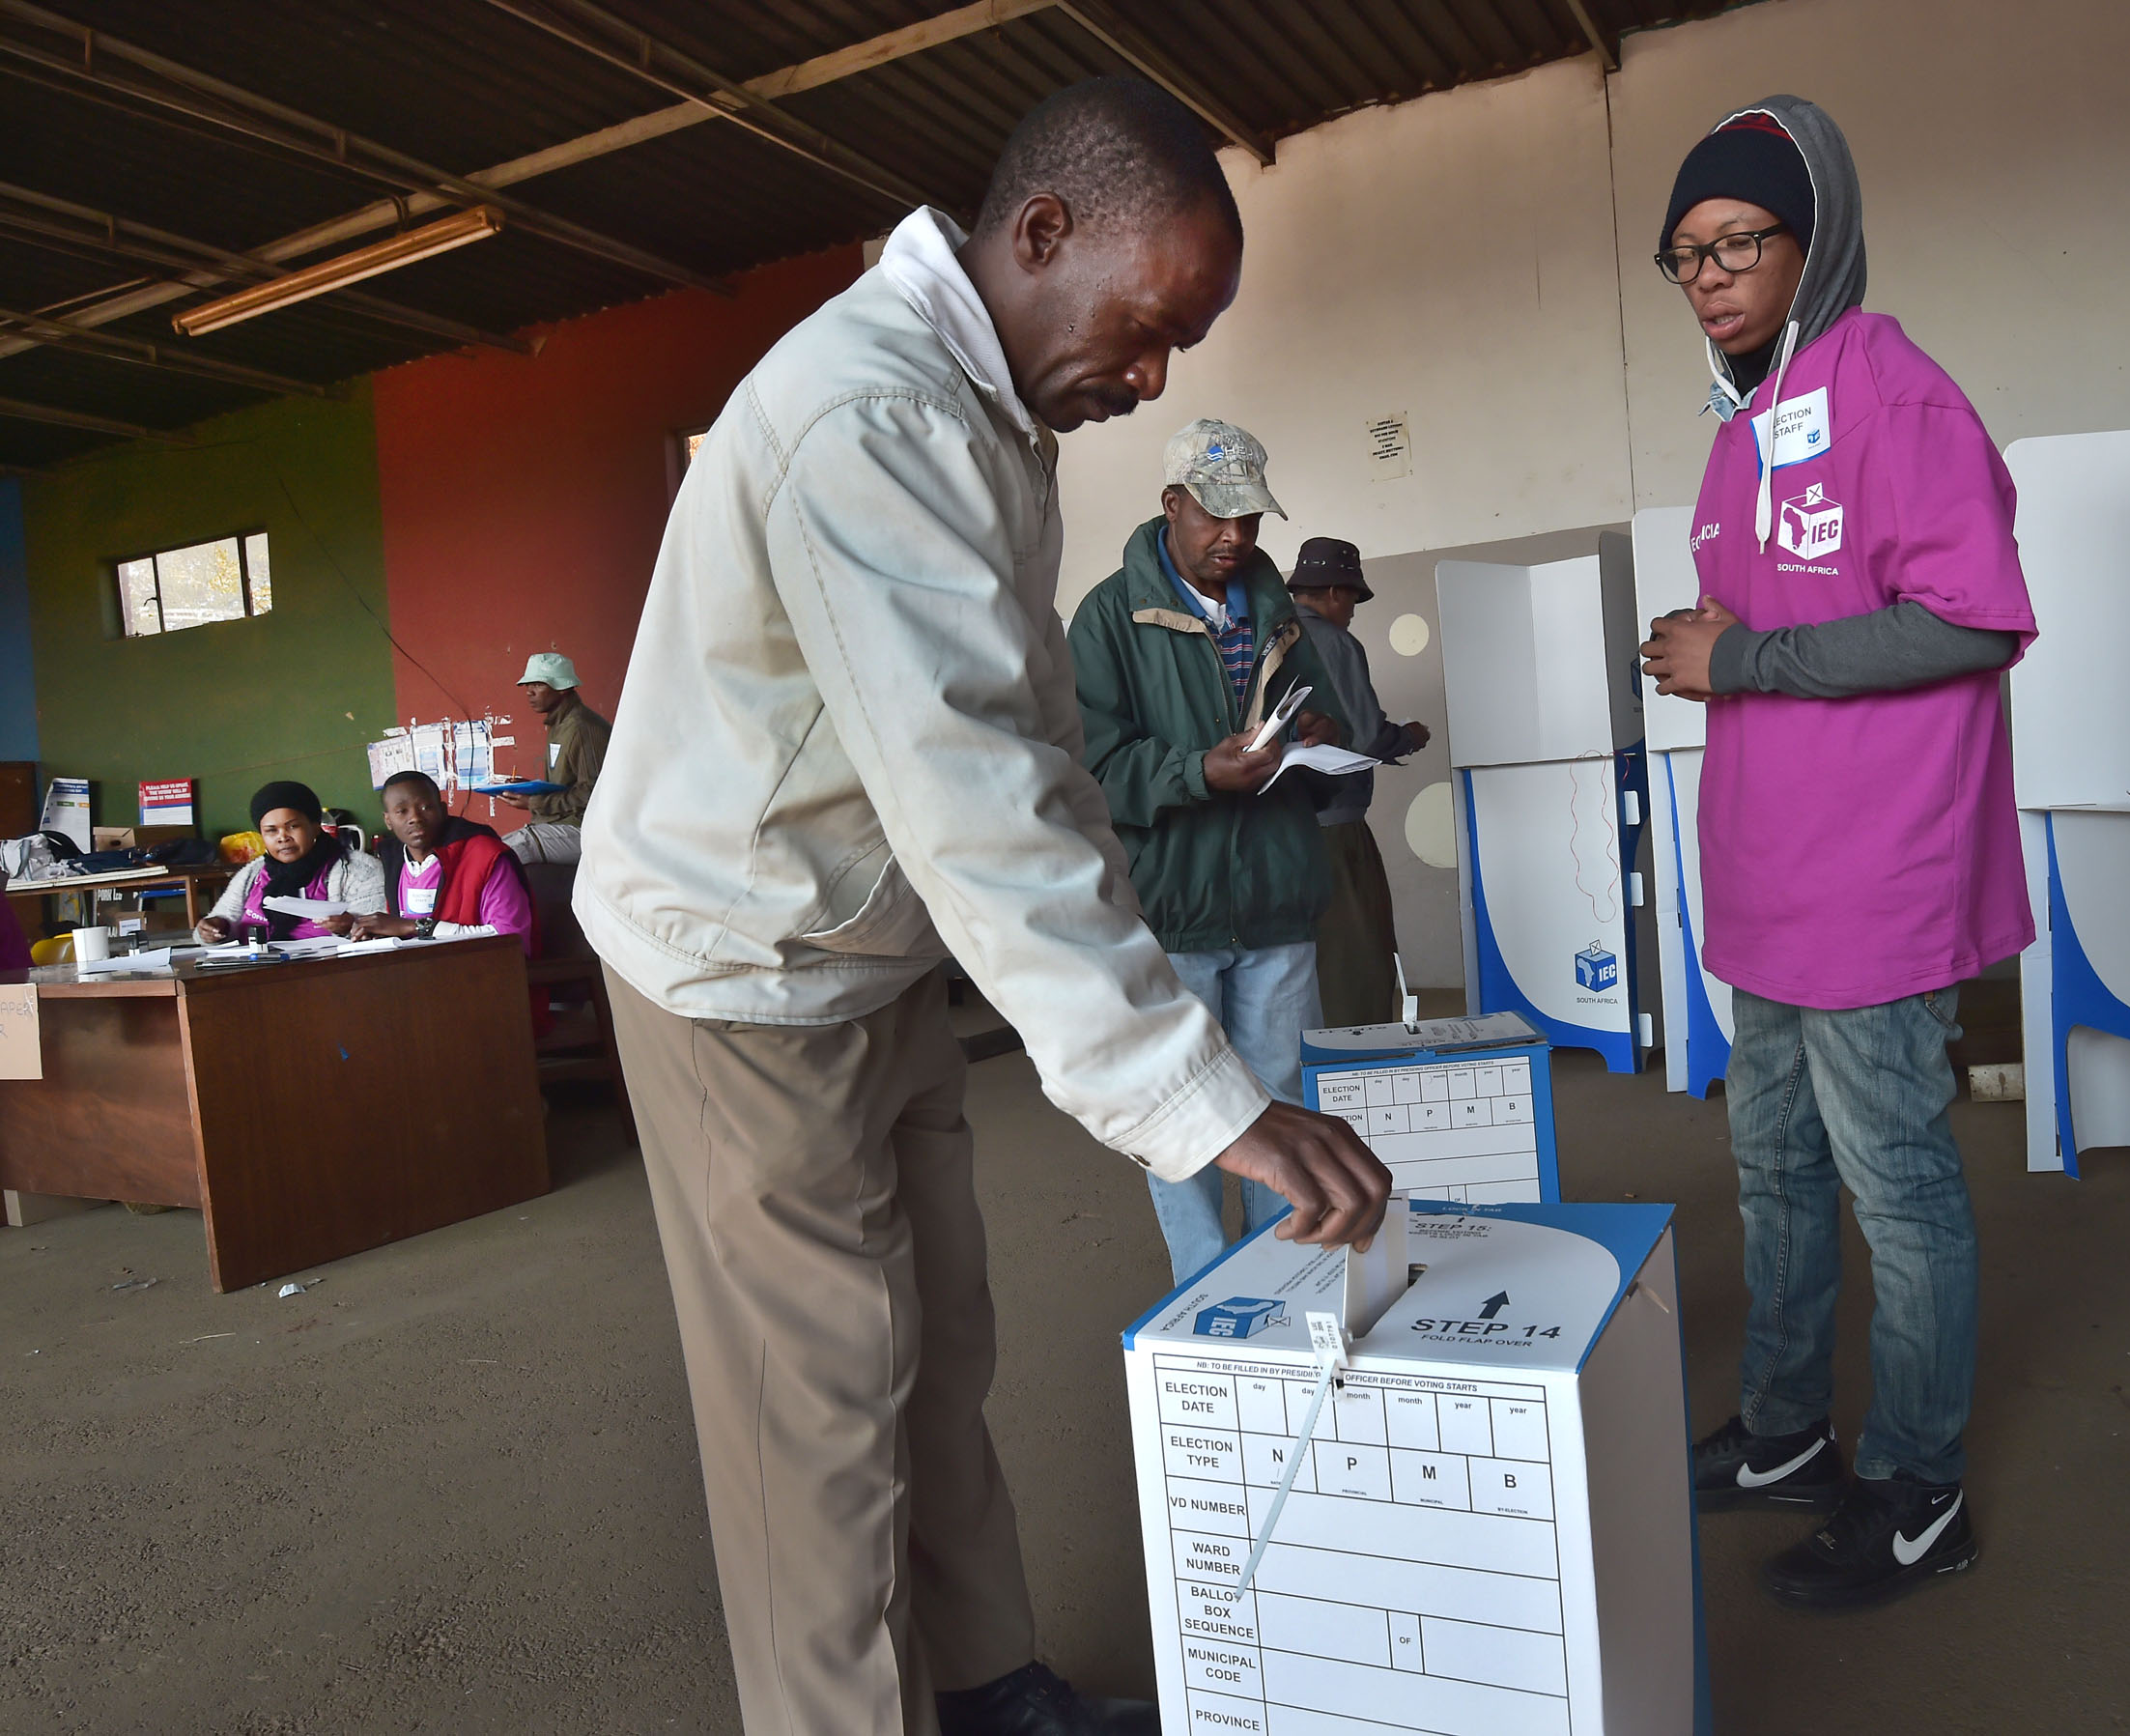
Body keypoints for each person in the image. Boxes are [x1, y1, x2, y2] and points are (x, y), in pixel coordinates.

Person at [574, 78, 1391, 1736]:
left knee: (938, 1342)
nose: (1153, 378)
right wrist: (1199, 1093)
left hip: (869, 949)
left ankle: (987, 1680)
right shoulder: (864, 418)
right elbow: (977, 808)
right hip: (742, 971)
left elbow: (1038, 757)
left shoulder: (983, 412)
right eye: (1151, 329)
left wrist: (1163, 1020)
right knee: (816, 1412)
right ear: (1040, 237)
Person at [1637, 96, 2038, 1609]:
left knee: (1898, 1186)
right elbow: (1761, 629)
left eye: (1740, 239)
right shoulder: (1742, 428)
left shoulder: (1893, 390)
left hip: (1874, 882)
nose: (1713, 273)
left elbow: (1969, 616)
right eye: (1685, 255)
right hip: (1767, 883)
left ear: (1818, 237)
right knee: (1777, 1172)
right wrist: (1713, 656)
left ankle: (1921, 1485)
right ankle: (1790, 1434)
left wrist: (1740, 661)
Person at [1068, 419, 1348, 1284]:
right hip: (1173, 910)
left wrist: (1319, 738)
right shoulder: (1109, 617)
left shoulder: (1281, 618)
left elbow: (1324, 720)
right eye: (1216, 517)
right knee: (1180, 1112)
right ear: (1171, 505)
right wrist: (1197, 771)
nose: (1235, 537)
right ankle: (1205, 1285)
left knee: (1279, 1100)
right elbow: (1093, 768)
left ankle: (1278, 1277)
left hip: (1275, 900)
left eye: (1251, 519)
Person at [1285, 537, 1430, 1028]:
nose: (1351, 612)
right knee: (1358, 957)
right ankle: (1357, 1071)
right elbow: (1366, 736)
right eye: (1351, 599)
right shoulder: (1334, 641)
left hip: (1273, 826)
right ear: (1332, 592)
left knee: (1295, 964)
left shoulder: (1266, 632)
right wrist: (1408, 737)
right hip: (1334, 829)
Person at [347, 770, 536, 953]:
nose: (414, 818)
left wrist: (416, 927)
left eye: (425, 807)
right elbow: (404, 934)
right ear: (388, 820)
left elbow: (511, 938)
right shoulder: (396, 862)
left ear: (443, 810)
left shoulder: (486, 856)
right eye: (401, 811)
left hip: (479, 976)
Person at [195, 781, 386, 944]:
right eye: (271, 830)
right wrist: (213, 929)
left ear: (315, 827)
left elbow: (377, 932)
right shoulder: (253, 873)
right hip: (255, 974)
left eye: (293, 826)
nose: (282, 837)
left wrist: (351, 925)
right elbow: (211, 927)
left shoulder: (360, 871)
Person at [495, 652, 610, 866]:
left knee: (503, 854)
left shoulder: (580, 727)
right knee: (488, 851)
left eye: (538, 684)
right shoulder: (559, 725)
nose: (529, 692)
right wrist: (529, 788)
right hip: (560, 824)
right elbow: (568, 787)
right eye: (528, 685)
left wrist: (534, 802)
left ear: (563, 688)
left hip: (586, 830)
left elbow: (593, 792)